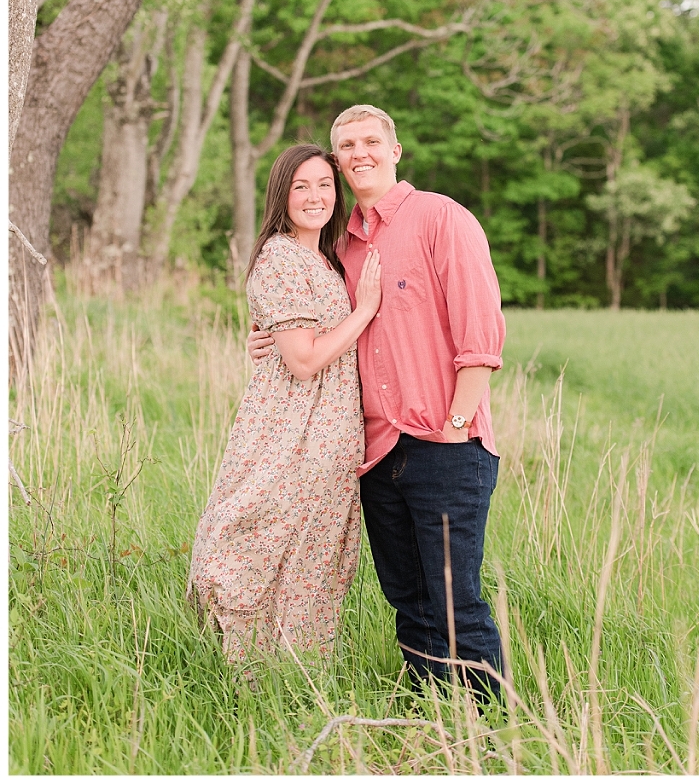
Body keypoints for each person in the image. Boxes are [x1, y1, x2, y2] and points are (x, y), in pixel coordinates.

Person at [248, 106, 506, 698]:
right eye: (347, 145)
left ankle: (491, 732)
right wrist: (266, 334)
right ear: (338, 161)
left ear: (395, 149)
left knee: (454, 600)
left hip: (446, 443)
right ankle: (430, 715)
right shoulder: (340, 246)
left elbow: (481, 336)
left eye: (370, 141)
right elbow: (309, 328)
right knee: (408, 600)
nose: (358, 152)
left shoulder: (441, 218)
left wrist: (457, 424)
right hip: (375, 451)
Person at [188, 144, 381, 666]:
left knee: (311, 554)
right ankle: (243, 661)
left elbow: (296, 337)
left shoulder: (327, 256)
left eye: (324, 184)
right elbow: (302, 360)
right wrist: (364, 310)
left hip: (330, 428)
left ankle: (295, 670)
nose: (315, 196)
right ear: (282, 194)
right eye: (301, 186)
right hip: (294, 428)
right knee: (261, 528)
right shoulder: (280, 257)